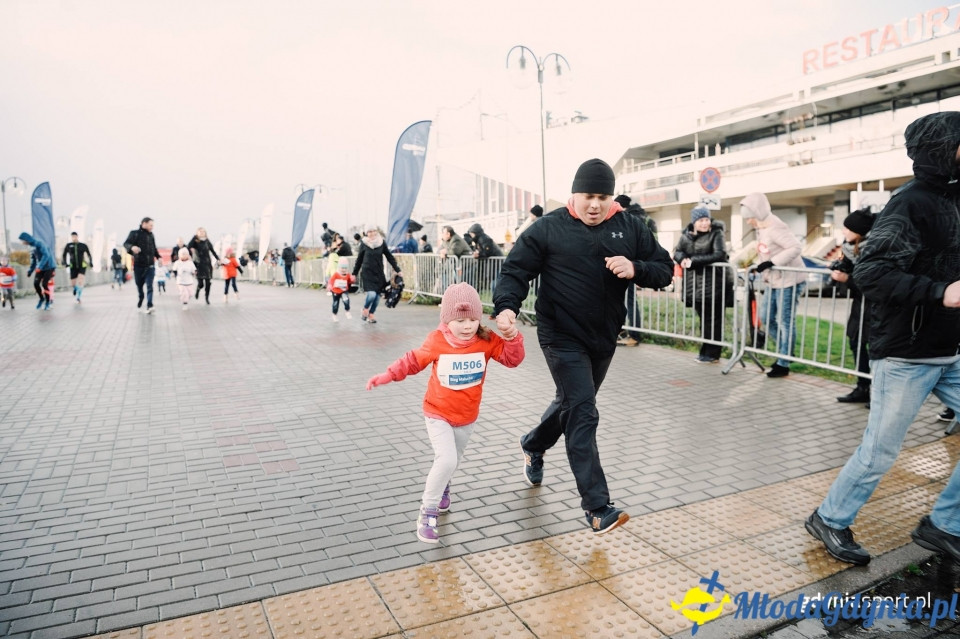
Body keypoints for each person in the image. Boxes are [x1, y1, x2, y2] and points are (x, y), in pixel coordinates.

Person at [805, 111, 960, 567]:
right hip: (906, 353)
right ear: (943, 150)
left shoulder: (954, 199)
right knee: (880, 451)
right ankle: (829, 518)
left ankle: (945, 524)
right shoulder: (910, 204)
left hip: (950, 350)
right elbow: (871, 272)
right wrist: (939, 292)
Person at [493, 158, 674, 534]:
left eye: (603, 197)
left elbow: (664, 268)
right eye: (588, 196)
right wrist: (507, 307)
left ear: (612, 198)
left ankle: (533, 444)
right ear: (573, 194)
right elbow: (516, 270)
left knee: (571, 403)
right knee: (583, 411)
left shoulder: (629, 227)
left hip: (603, 336)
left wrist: (636, 268)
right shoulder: (549, 227)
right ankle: (597, 507)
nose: (595, 205)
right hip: (560, 335)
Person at [366, 283, 525, 543]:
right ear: (447, 319)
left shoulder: (486, 340)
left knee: (452, 461)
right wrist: (388, 375)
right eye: (460, 320)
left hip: (467, 417)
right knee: (447, 459)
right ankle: (427, 512)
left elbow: (512, 359)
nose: (467, 326)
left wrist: (512, 336)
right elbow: (412, 361)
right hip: (437, 413)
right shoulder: (437, 340)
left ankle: (443, 487)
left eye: (472, 319)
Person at [740, 192, 805, 378]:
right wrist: (760, 266)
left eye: (750, 218)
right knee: (766, 318)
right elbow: (766, 252)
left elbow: (795, 247)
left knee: (785, 321)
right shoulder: (762, 228)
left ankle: (783, 362)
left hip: (789, 280)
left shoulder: (776, 227)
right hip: (774, 280)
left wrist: (772, 263)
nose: (748, 222)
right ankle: (786, 351)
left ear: (758, 214)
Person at [674, 205, 732, 363]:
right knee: (704, 320)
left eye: (707, 219)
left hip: (714, 284)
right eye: (701, 220)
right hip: (695, 286)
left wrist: (693, 261)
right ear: (694, 222)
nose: (705, 223)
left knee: (714, 320)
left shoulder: (716, 233)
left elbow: (719, 254)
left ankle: (713, 354)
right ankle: (705, 351)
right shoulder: (686, 235)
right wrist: (682, 259)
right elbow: (677, 251)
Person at [830, 208, 875, 403]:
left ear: (859, 231)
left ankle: (878, 392)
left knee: (876, 349)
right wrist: (839, 268)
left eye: (847, 228)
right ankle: (862, 387)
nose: (844, 232)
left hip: (876, 307)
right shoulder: (848, 248)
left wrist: (847, 279)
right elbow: (847, 267)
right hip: (859, 306)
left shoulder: (873, 249)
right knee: (855, 342)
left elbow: (873, 282)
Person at [352, 226, 402, 324]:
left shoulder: (381, 242)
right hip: (367, 273)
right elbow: (359, 260)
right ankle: (365, 308)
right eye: (369, 231)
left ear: (376, 231)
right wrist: (354, 273)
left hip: (379, 273)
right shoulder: (364, 243)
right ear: (366, 233)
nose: (372, 233)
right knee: (371, 295)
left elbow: (389, 257)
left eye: (373, 231)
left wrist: (398, 270)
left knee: (377, 297)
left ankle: (371, 314)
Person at [123, 217, 162, 314]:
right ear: (144, 223)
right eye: (150, 225)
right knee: (139, 285)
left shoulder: (151, 235)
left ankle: (150, 305)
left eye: (152, 225)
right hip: (138, 265)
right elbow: (126, 244)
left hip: (150, 266)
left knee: (150, 286)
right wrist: (132, 247)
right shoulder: (134, 233)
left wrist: (159, 257)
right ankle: (141, 296)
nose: (152, 227)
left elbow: (154, 248)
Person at [19, 232, 56, 310]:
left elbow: (46, 255)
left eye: (22, 241)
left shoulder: (39, 243)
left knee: (44, 284)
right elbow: (34, 260)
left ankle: (48, 302)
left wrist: (40, 266)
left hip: (49, 266)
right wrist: (30, 271)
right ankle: (42, 298)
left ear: (26, 239)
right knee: (36, 284)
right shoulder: (31, 247)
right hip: (41, 267)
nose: (22, 243)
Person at [187, 228, 219, 304]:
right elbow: (189, 246)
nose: (202, 233)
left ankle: (207, 298)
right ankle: (198, 289)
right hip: (199, 264)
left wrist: (218, 259)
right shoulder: (195, 241)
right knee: (201, 284)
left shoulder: (207, 241)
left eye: (203, 231)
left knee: (208, 283)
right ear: (197, 233)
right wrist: (195, 237)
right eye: (200, 231)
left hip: (207, 264)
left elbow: (213, 251)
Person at [62, 231, 93, 304]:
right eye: (72, 237)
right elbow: (64, 254)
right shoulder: (69, 245)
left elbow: (89, 254)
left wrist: (91, 262)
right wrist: (65, 262)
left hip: (82, 266)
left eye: (75, 236)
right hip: (73, 266)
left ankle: (78, 298)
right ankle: (75, 289)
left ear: (77, 236)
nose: (74, 238)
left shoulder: (82, 245)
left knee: (80, 281)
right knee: (73, 284)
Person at [328, 257, 355, 322]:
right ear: (339, 267)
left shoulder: (347, 274)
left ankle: (347, 311)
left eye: (345, 268)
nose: (343, 270)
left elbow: (349, 281)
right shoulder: (336, 274)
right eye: (342, 268)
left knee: (346, 300)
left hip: (344, 290)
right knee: (336, 303)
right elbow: (331, 280)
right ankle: (334, 315)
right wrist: (330, 285)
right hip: (336, 291)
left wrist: (352, 280)